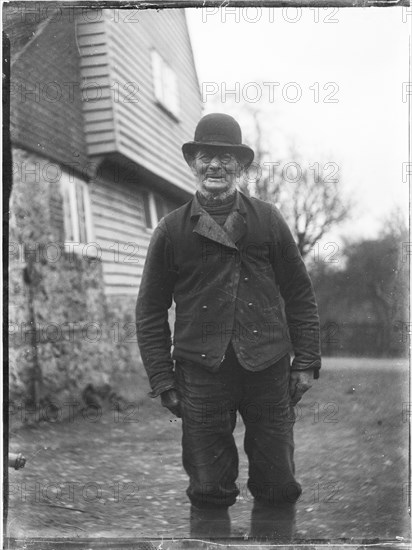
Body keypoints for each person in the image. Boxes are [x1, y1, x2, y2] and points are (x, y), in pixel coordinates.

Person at [136, 113, 321, 541]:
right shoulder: (171, 230)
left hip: (268, 368)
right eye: (206, 157)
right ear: (193, 163)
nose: (215, 166)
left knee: (278, 481)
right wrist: (162, 377)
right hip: (202, 374)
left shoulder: (268, 220)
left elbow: (299, 293)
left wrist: (306, 360)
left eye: (225, 158)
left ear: (240, 166)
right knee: (207, 487)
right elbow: (149, 311)